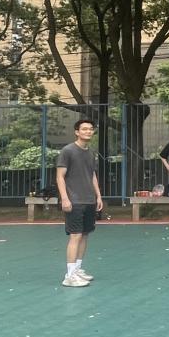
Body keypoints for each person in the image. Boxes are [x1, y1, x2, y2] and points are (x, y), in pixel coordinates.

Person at [56, 119, 103, 288]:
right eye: (84, 129)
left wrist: (98, 196)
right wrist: (65, 198)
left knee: (84, 234)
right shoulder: (68, 151)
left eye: (91, 129)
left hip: (89, 200)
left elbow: (92, 175)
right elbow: (60, 176)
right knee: (75, 235)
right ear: (77, 132)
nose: (88, 131)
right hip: (74, 200)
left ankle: (77, 269)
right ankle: (69, 276)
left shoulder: (90, 152)